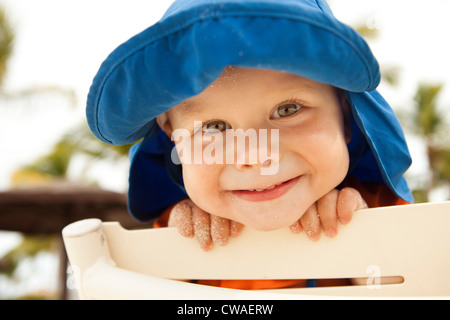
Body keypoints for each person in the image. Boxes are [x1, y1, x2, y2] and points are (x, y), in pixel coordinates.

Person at [86, 0, 414, 289]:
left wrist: (360, 238)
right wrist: (180, 243)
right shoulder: (183, 231)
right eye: (214, 128)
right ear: (175, 138)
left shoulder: (381, 206)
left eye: (288, 110)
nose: (257, 156)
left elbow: (421, 285)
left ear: (345, 117)